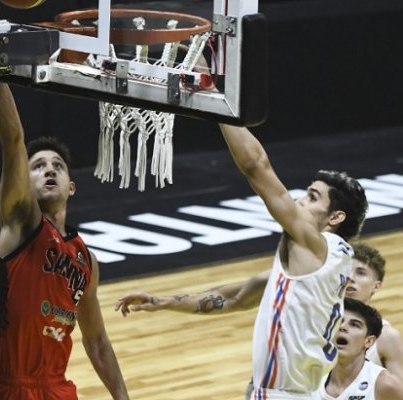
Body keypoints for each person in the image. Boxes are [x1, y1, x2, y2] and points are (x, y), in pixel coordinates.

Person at [116, 124, 368, 399]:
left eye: (311, 197)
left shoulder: (315, 246)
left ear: (335, 217)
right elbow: (236, 297)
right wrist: (163, 302)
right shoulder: (327, 263)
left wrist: (223, 111)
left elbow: (256, 167)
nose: (298, 200)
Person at [0, 81, 130, 400]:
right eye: (38, 166)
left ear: (71, 186)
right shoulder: (20, 223)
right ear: (24, 183)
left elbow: (96, 342)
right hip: (4, 387)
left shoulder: (86, 261)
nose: (49, 170)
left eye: (58, 166)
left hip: (56, 389)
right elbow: (13, 141)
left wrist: (123, 397)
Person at [346, 242, 403, 394]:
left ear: (376, 286)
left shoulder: (387, 337)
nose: (350, 277)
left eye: (360, 273)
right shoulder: (315, 324)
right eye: (345, 271)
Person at [312, 298, 403, 400]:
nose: (342, 326)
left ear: (369, 341)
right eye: (339, 322)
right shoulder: (312, 376)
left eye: (355, 325)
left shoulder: (384, 384)